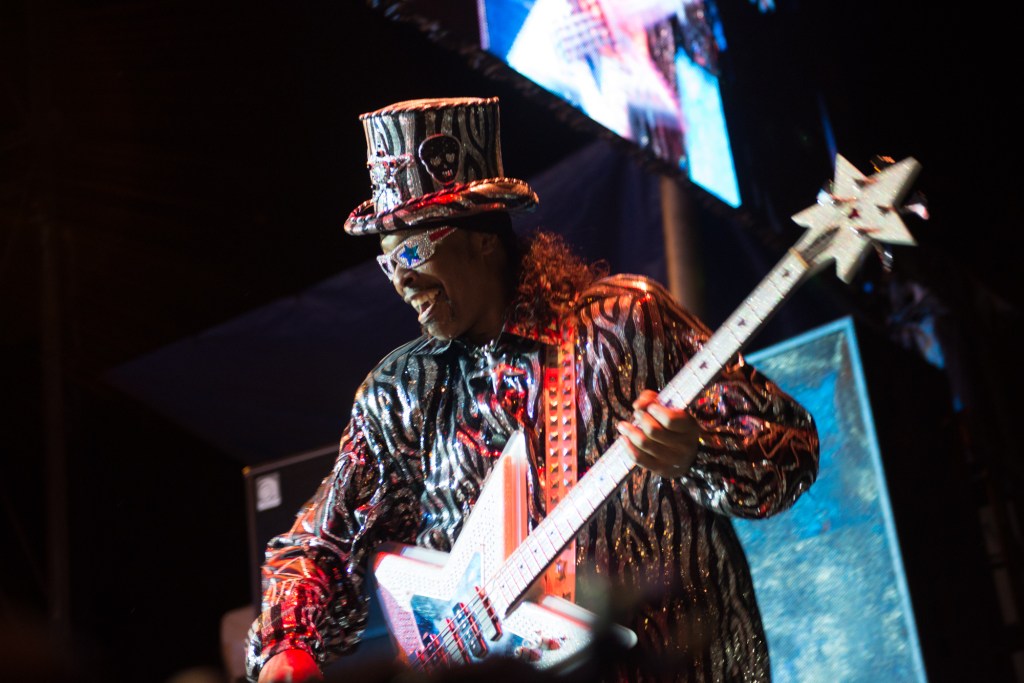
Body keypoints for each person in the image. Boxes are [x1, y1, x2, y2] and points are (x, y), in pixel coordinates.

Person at [245, 97, 818, 683]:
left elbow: (789, 452)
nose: (403, 281)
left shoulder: (623, 324)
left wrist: (698, 451)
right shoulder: (400, 394)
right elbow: (319, 544)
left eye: (414, 251)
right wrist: (287, 647)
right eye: (388, 265)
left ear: (484, 237)